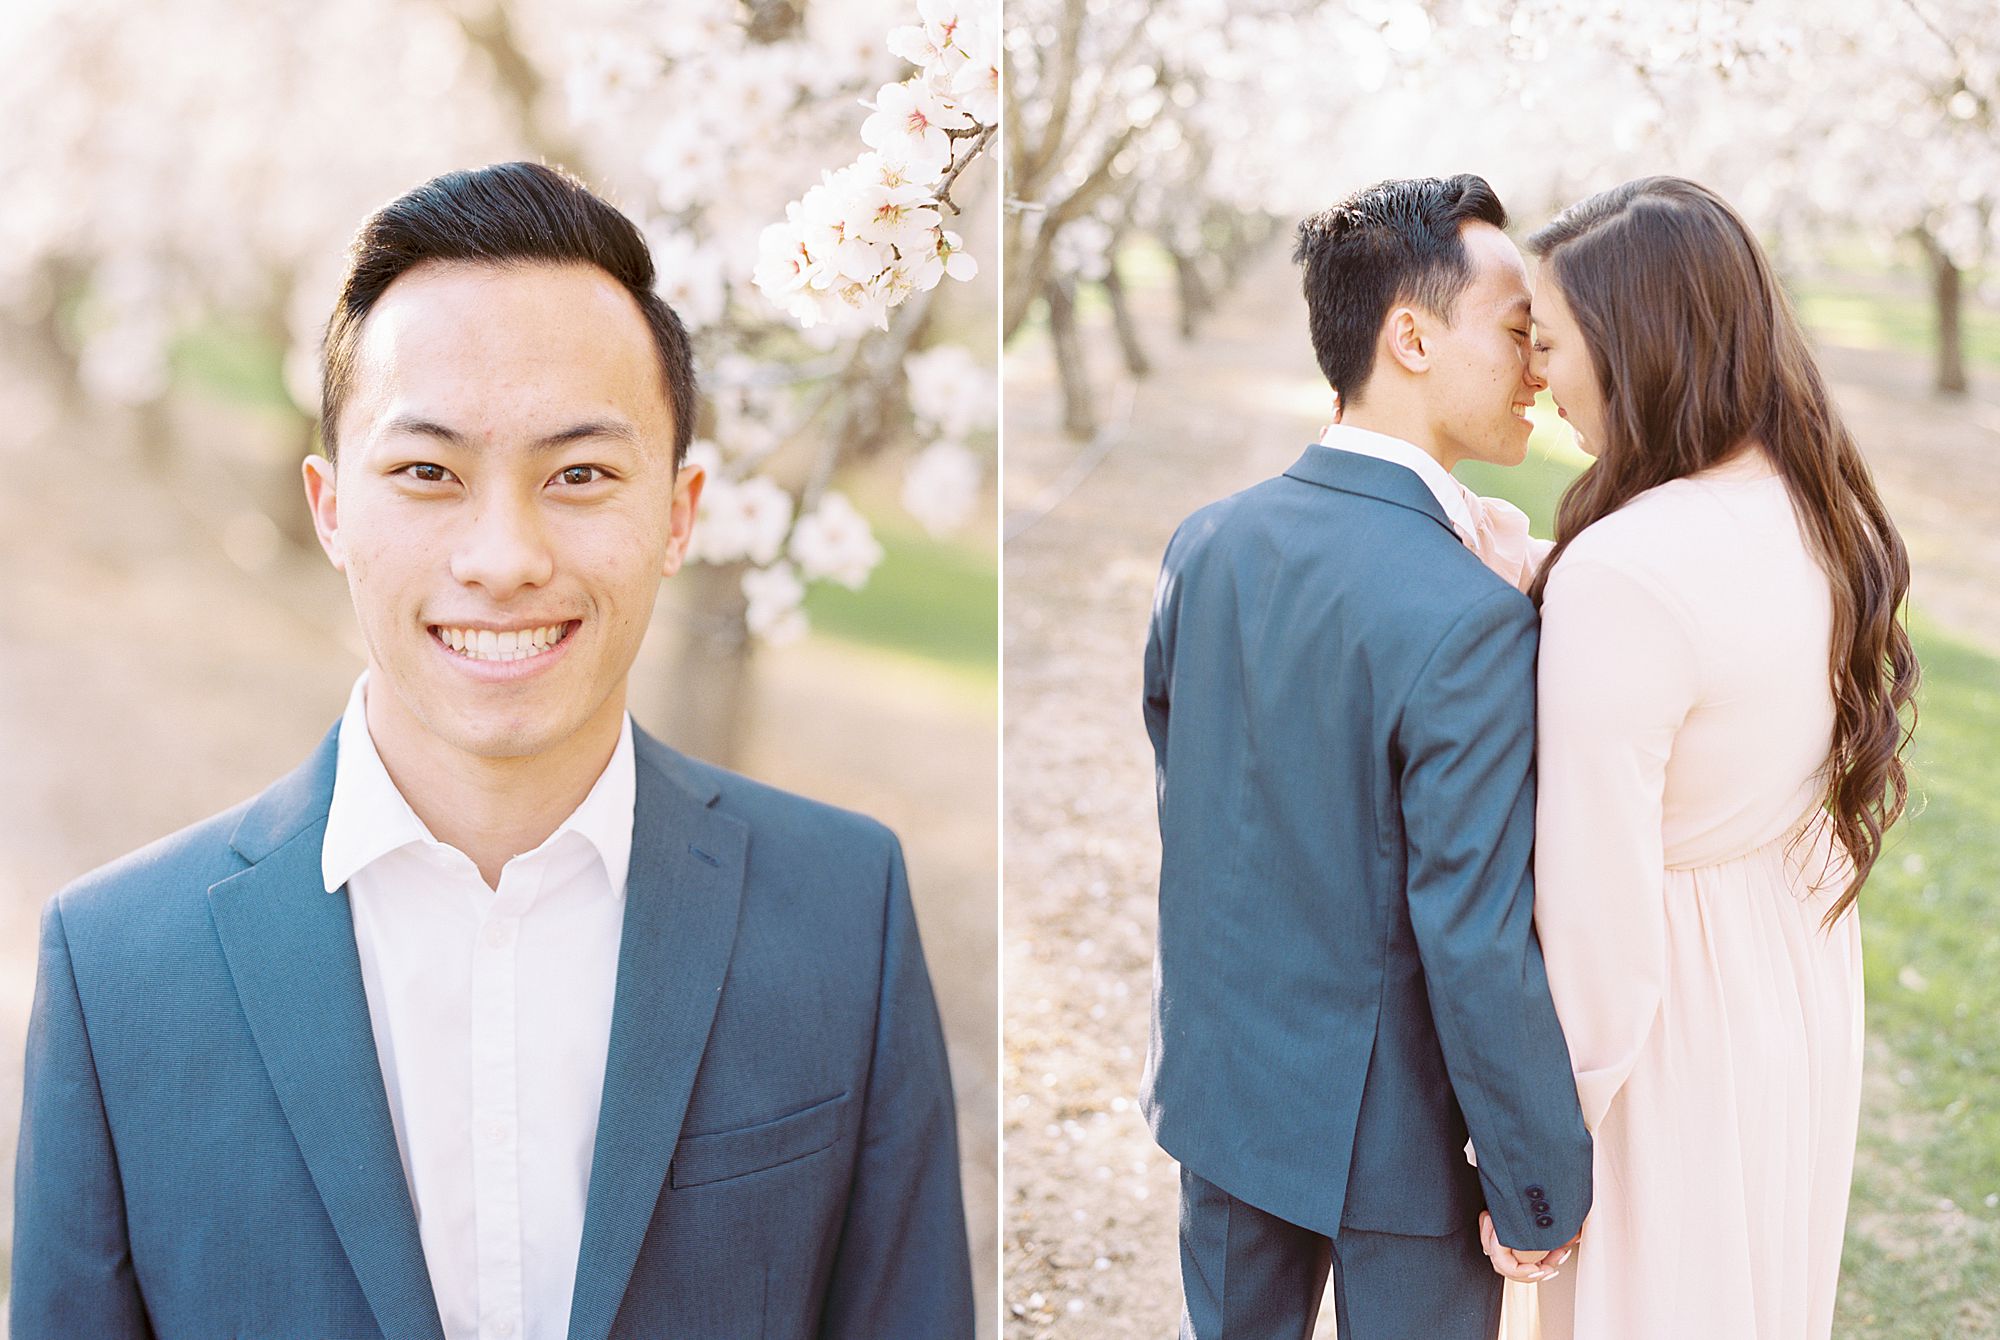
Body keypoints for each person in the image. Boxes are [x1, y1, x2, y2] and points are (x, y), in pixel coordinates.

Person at [12, 161, 975, 1340]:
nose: (504, 554)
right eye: (428, 472)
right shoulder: (120, 971)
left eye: (579, 473)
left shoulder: (842, 909)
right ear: (328, 507)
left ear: (678, 512)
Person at [1140, 173, 1592, 1340]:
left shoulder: (1206, 542)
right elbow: (1472, 931)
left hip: (1221, 1094)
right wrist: (1538, 1174)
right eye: (1513, 332)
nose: (1538, 368)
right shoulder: (1469, 613)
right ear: (1408, 335)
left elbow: (1187, 791)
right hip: (1398, 1144)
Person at [1520, 176, 1918, 1339]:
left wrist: (1544, 1129)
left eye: (1549, 343)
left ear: (1633, 343)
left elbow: (1593, 910)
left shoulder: (1625, 571)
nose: (1536, 378)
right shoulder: (1807, 506)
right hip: (1782, 969)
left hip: (1664, 1020)